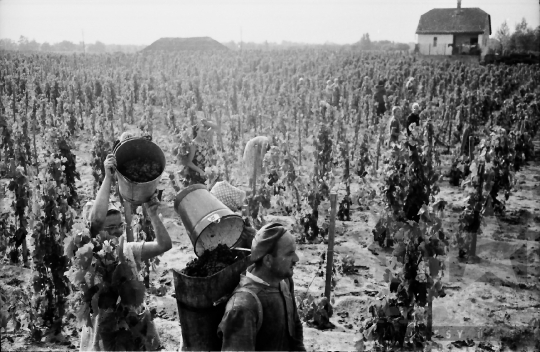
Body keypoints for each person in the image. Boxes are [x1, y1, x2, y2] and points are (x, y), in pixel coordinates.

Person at [79, 154, 172, 351]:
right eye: (109, 228)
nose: (116, 232)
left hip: (136, 327)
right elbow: (95, 222)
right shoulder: (90, 257)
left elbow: (164, 245)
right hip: (106, 335)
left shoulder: (128, 250)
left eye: (118, 226)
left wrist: (153, 215)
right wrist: (107, 178)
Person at [217, 223, 305, 351]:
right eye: (289, 254)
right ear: (268, 260)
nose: (296, 259)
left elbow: (295, 330)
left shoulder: (285, 282)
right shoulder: (243, 307)